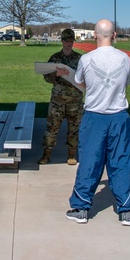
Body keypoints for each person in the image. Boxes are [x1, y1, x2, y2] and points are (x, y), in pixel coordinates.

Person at [58, 19, 130, 226]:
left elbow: (81, 83)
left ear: (94, 35)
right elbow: (125, 83)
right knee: (121, 162)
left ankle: (81, 207)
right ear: (114, 35)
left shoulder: (86, 59)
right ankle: (126, 210)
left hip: (94, 116)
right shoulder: (125, 58)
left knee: (89, 161)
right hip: (119, 116)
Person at [39, 28, 84, 165]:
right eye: (66, 40)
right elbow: (46, 77)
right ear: (62, 41)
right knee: (51, 129)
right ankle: (46, 155)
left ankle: (71, 155)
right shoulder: (55, 58)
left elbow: (86, 78)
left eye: (71, 41)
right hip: (57, 101)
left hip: (75, 101)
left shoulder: (80, 58)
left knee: (74, 130)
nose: (69, 43)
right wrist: (56, 75)